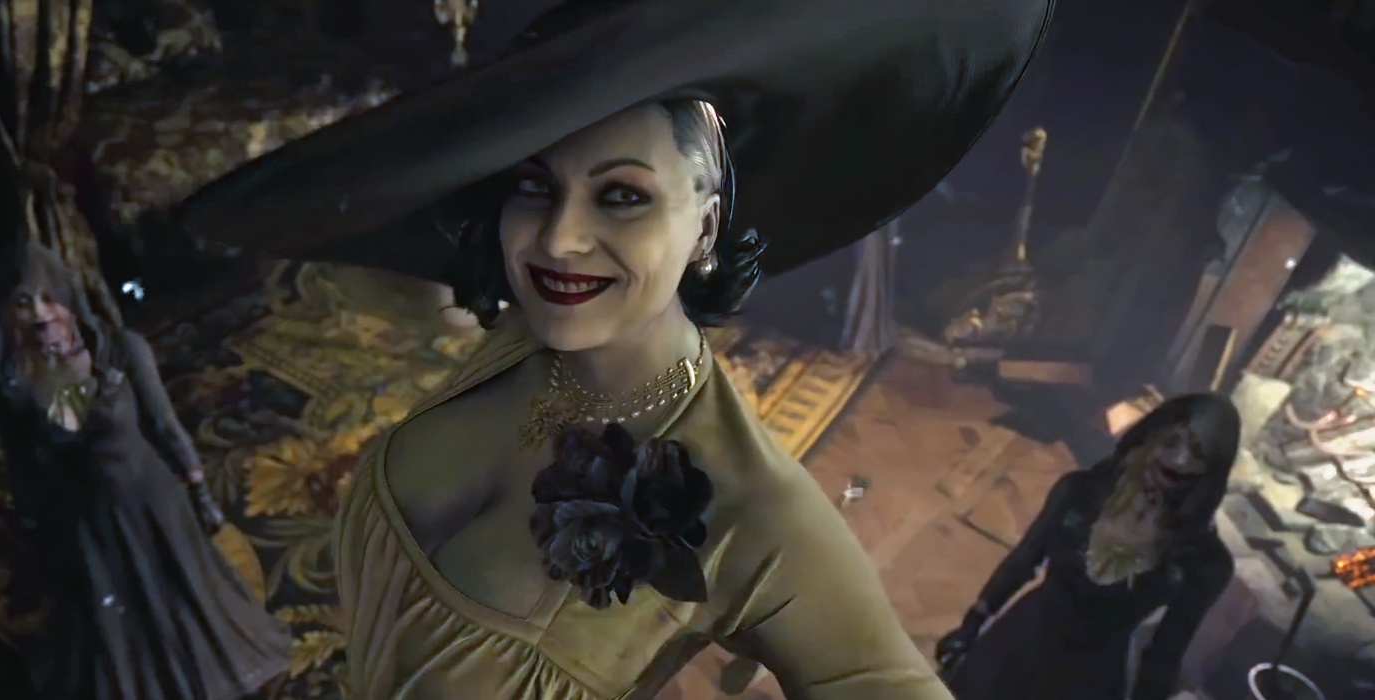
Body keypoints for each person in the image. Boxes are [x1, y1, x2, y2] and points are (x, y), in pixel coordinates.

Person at [180, 0, 1053, 697]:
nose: (560, 240)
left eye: (622, 197)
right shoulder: (528, 343)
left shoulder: (752, 509)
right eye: (535, 187)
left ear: (706, 225)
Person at [0, 241, 289, 700]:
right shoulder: (18, 383)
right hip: (88, 516)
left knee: (179, 592)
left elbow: (166, 427)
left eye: (49, 298)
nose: (40, 314)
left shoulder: (123, 350)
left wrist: (200, 493)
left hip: (150, 501)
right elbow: (22, 464)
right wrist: (34, 528)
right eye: (24, 302)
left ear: (68, 299)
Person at [936, 394, 1240, 700]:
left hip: (1087, 683)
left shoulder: (1205, 562)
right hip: (1015, 648)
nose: (1180, 460)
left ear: (1212, 470)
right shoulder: (1080, 491)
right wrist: (970, 627)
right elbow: (1023, 561)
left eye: (1198, 452)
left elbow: (1164, 655)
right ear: (1151, 436)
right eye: (1173, 442)